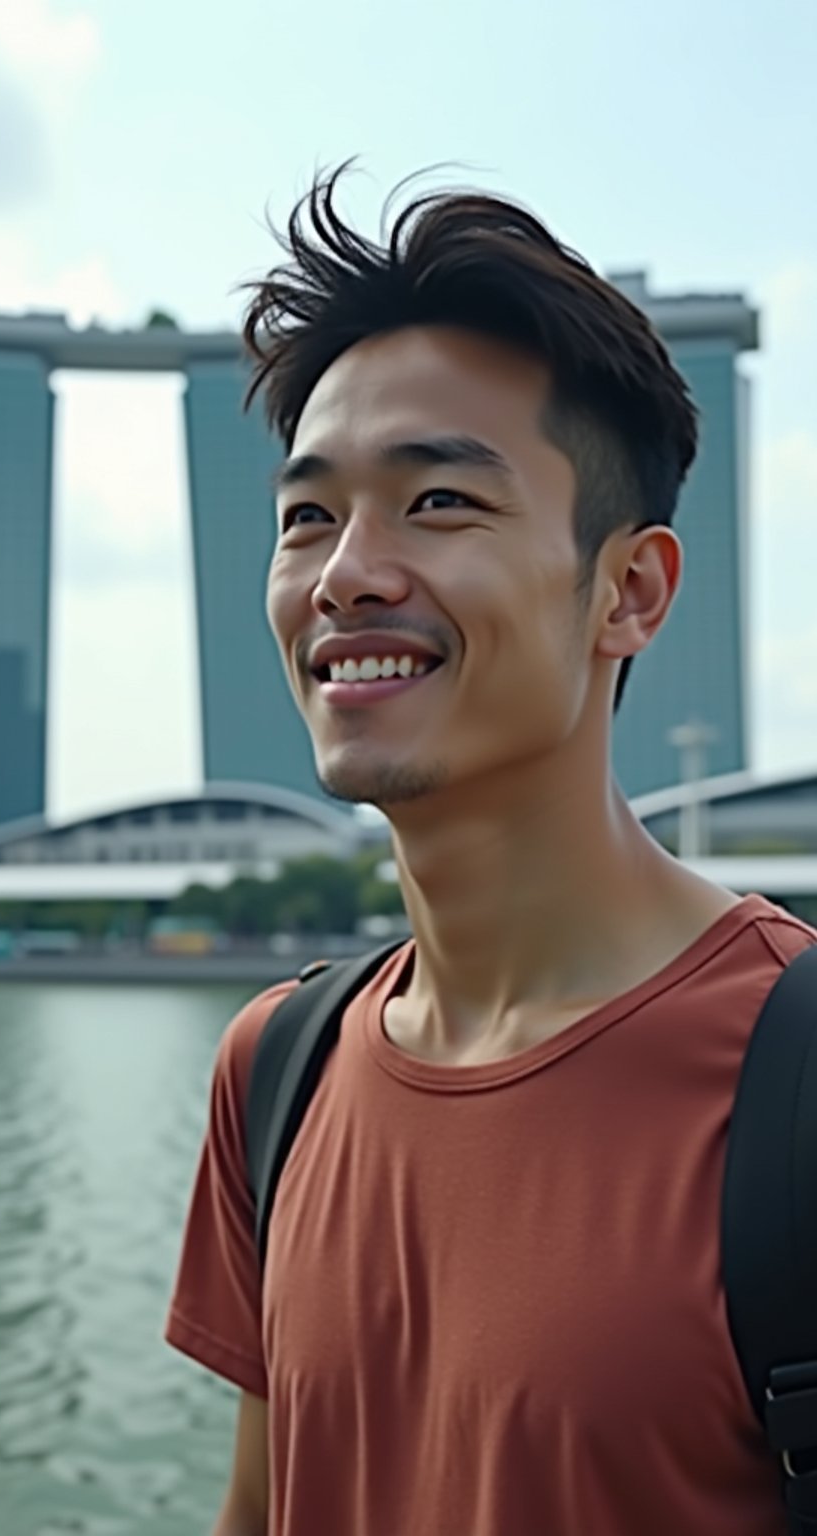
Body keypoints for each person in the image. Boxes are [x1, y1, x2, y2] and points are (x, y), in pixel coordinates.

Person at [164, 166, 814, 1536]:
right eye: (306, 515)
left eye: (440, 503)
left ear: (628, 591)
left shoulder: (793, 1079)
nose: (346, 571)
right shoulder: (278, 1072)